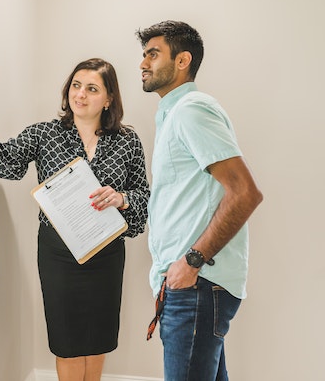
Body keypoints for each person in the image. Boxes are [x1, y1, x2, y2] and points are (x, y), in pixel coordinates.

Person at [0, 58, 149, 381]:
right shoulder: (45, 134)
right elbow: (1, 162)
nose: (80, 95)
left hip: (106, 255)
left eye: (92, 88)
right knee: (68, 342)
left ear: (109, 98)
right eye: (76, 85)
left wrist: (122, 198)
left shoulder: (128, 142)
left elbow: (143, 195)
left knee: (97, 340)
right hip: (59, 256)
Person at [136, 20, 263, 381]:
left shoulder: (192, 109)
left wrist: (191, 262)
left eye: (153, 54)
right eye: (143, 55)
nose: (143, 64)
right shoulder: (173, 114)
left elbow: (245, 193)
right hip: (188, 284)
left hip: (197, 284)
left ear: (182, 61)